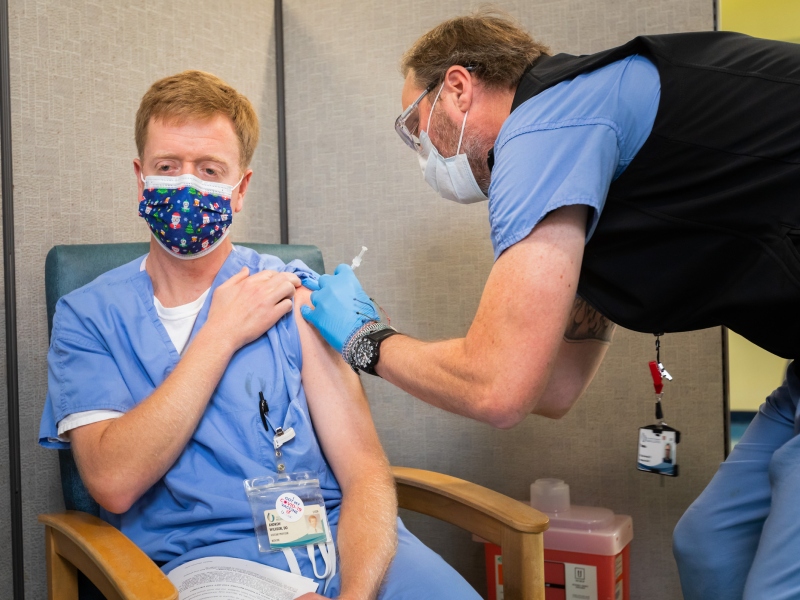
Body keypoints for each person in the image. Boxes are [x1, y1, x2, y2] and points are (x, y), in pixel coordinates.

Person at [300, 10, 800, 600]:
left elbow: (500, 390)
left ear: (457, 88)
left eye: (415, 125)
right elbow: (556, 388)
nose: (422, 153)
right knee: (709, 545)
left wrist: (366, 340)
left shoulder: (545, 128)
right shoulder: (584, 160)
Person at [38, 70, 480, 600]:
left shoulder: (288, 291)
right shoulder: (89, 315)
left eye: (209, 170)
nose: (186, 186)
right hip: (208, 561)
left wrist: (356, 595)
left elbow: (362, 471)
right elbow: (113, 482)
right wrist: (220, 333)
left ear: (240, 188)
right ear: (140, 178)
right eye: (167, 167)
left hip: (345, 542)